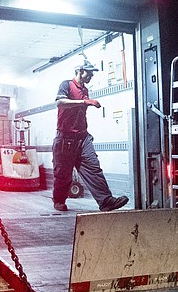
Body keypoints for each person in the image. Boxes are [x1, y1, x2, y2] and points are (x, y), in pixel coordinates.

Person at [52, 60, 129, 212]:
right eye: (89, 72)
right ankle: (59, 200)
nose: (91, 75)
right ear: (80, 71)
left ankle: (106, 201)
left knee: (94, 168)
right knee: (63, 174)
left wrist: (85, 102)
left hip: (83, 138)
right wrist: (85, 102)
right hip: (65, 138)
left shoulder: (85, 90)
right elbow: (60, 102)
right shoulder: (66, 85)